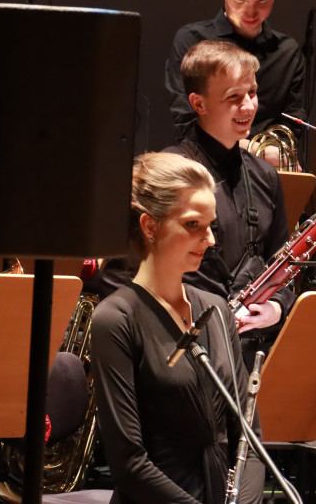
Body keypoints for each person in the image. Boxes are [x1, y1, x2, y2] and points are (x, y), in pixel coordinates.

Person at [92, 152, 264, 504]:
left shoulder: (216, 309)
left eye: (211, 225)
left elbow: (250, 440)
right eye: (192, 225)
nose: (210, 240)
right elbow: (129, 464)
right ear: (150, 226)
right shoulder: (116, 318)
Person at [98, 40, 293, 350]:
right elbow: (117, 279)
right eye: (233, 97)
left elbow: (284, 265)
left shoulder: (266, 177)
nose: (248, 106)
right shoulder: (170, 174)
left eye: (252, 93)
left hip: (253, 353)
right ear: (198, 104)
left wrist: (276, 308)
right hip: (184, 354)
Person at [165, 0, 305, 152]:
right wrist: (254, 151)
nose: (250, 12)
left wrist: (277, 154)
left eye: (262, 1)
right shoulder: (191, 40)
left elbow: (293, 126)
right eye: (239, 0)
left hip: (268, 170)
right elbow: (186, 122)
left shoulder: (288, 52)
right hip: (205, 167)